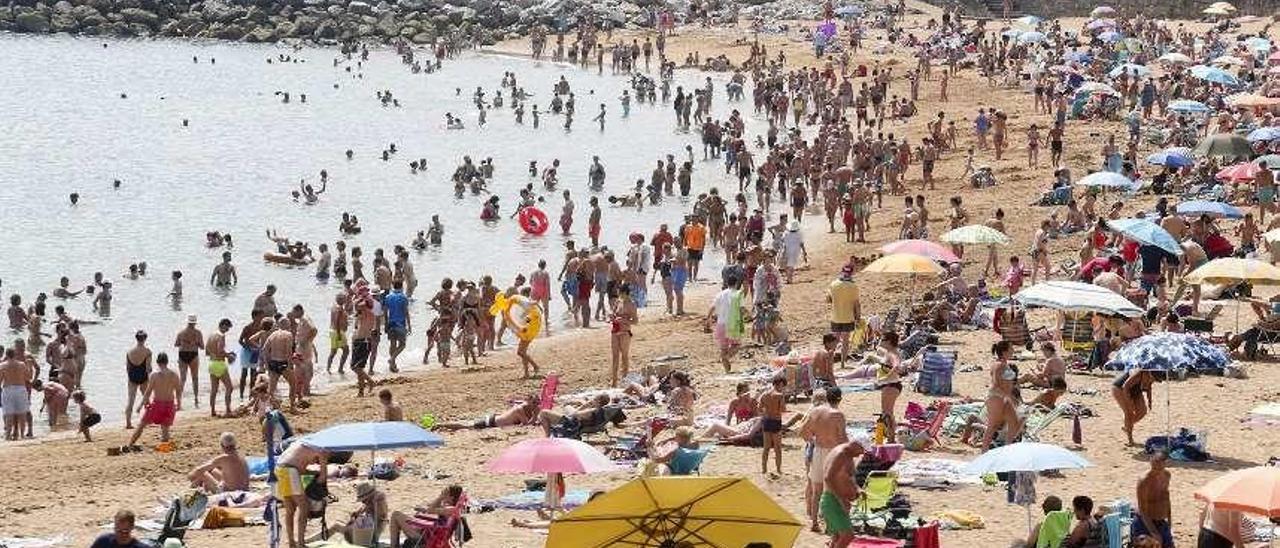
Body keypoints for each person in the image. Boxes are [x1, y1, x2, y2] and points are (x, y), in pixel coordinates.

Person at [799, 387, 847, 533]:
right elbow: (842, 438)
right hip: (832, 453)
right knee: (832, 490)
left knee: (817, 490)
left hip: (818, 451)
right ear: (839, 399)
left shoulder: (815, 411)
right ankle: (830, 524)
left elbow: (802, 431)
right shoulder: (838, 415)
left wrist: (813, 441)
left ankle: (814, 522)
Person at [276, 441, 329, 548]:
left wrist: (312, 472)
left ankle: (292, 542)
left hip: (279, 469)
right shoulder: (321, 450)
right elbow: (323, 477)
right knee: (304, 507)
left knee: (290, 510)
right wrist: (324, 463)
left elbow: (299, 466)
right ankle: (301, 543)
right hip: (290, 471)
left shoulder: (301, 444)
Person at [126, 352, 180, 448]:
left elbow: (148, 392)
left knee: (141, 425)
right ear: (167, 362)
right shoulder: (174, 374)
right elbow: (178, 391)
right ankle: (165, 446)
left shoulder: (154, 375)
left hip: (157, 404)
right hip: (170, 404)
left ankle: (130, 444)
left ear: (157, 362)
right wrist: (179, 404)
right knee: (165, 428)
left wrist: (140, 406)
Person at [388, 484, 465, 548]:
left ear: (451, 497)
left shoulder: (450, 510)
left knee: (396, 515)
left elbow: (431, 510)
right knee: (400, 516)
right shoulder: (452, 509)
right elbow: (432, 509)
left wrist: (440, 497)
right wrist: (426, 510)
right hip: (430, 533)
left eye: (445, 493)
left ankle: (393, 546)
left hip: (425, 539)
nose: (442, 493)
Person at [821, 441, 865, 547]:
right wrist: (841, 500)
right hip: (833, 501)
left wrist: (858, 489)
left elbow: (848, 477)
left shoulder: (847, 454)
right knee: (847, 536)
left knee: (837, 538)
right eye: (861, 451)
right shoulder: (840, 455)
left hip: (836, 500)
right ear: (856, 445)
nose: (860, 455)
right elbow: (828, 478)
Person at [322, 482, 388, 545]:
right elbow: (357, 513)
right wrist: (355, 515)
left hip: (368, 535)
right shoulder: (368, 504)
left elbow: (380, 514)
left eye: (364, 500)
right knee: (337, 524)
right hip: (364, 532)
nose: (363, 502)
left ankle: (314, 541)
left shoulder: (378, 503)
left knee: (336, 527)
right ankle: (316, 540)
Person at [981, 341, 1019, 450]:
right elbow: (995, 384)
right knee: (993, 425)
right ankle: (984, 451)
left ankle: (1007, 449)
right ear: (1004, 351)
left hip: (1003, 397)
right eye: (1011, 348)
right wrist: (1008, 395)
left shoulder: (1004, 364)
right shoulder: (999, 365)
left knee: (1014, 422)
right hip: (996, 397)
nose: (1013, 350)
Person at [1134, 451, 1174, 548]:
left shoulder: (1167, 475)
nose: (1155, 471)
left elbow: (1166, 497)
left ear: (1165, 464)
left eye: (1159, 468)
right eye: (1154, 468)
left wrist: (1169, 520)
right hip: (1145, 522)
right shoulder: (1144, 481)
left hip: (1162, 521)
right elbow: (1142, 509)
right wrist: (1153, 532)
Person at [706, 277, 746, 372]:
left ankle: (726, 370)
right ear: (736, 284)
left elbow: (712, 308)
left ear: (727, 283)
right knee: (736, 345)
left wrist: (708, 319)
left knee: (723, 347)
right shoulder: (738, 294)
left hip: (721, 324)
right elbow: (741, 309)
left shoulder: (720, 294)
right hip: (733, 324)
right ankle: (727, 357)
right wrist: (746, 316)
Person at [434, 398, 540, 431]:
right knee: (466, 426)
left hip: (495, 419)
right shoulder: (520, 409)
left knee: (467, 424)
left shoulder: (526, 406)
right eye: (534, 403)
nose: (535, 405)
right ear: (528, 401)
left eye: (537, 403)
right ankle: (441, 425)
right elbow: (526, 425)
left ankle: (442, 424)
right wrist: (535, 416)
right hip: (492, 422)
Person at [827, 265, 861, 365]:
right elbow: (856, 305)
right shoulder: (854, 286)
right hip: (848, 317)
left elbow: (828, 300)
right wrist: (858, 318)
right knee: (845, 341)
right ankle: (842, 363)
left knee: (835, 340)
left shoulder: (833, 284)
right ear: (851, 273)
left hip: (835, 316)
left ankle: (829, 361)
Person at [1112, 369, 1157, 446]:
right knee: (1129, 413)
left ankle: (1127, 426)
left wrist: (1150, 401)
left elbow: (1149, 388)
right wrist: (1130, 402)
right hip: (1120, 389)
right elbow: (1125, 387)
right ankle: (1130, 440)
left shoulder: (1153, 374)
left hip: (1135, 390)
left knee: (1142, 412)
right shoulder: (1138, 374)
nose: (1153, 381)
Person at [173, 314, 204, 409]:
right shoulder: (198, 333)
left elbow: (176, 344)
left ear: (187, 322)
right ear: (195, 323)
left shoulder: (181, 332)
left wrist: (185, 342)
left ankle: (179, 402)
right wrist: (195, 343)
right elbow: (202, 347)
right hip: (193, 354)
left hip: (182, 354)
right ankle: (196, 400)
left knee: (182, 379)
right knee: (195, 378)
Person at [206, 318, 235, 417]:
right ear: (223, 325)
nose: (227, 330)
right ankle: (228, 410)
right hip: (219, 364)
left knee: (214, 389)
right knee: (229, 387)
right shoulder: (221, 336)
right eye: (227, 328)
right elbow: (220, 351)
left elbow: (207, 352)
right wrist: (229, 356)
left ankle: (213, 411)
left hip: (212, 363)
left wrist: (221, 354)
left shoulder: (211, 335)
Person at [384, 281, 410, 373]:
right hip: (400, 324)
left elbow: (385, 313)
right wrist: (409, 326)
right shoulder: (404, 297)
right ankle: (392, 359)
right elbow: (406, 312)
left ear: (392, 286)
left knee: (392, 344)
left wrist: (386, 324)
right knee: (402, 344)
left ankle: (393, 365)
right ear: (402, 287)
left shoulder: (388, 297)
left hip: (391, 324)